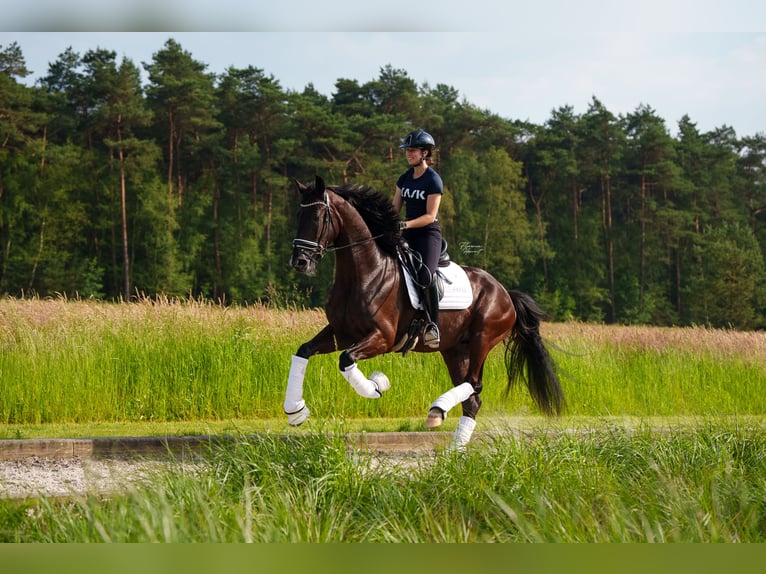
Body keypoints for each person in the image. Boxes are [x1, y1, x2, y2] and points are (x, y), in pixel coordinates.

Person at [393, 129, 443, 349]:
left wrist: (405, 224)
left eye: (412, 150)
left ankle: (433, 325)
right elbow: (394, 209)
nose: (408, 154)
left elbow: (430, 216)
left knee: (426, 275)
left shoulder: (433, 180)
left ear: (424, 153)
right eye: (407, 150)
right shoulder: (404, 178)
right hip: (406, 233)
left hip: (427, 234)